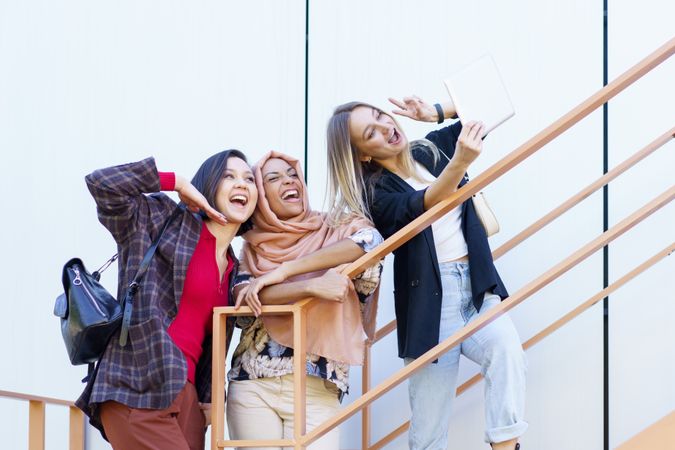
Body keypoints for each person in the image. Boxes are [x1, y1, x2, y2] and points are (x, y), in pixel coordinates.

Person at [325, 97, 527, 450]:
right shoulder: (376, 192)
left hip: (477, 286)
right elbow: (424, 204)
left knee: (507, 350)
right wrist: (460, 163)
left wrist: (435, 112)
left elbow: (491, 105)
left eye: (380, 116)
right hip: (432, 305)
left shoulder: (431, 150)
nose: (386, 127)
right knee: (430, 426)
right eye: (370, 132)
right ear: (362, 155)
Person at [75, 150, 258, 450]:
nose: (242, 184)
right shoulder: (163, 218)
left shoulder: (234, 269)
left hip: (186, 397)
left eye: (249, 179)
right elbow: (102, 184)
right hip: (137, 381)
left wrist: (211, 397)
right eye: (229, 176)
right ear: (208, 184)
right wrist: (176, 183)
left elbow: (213, 343)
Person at [226, 151, 383, 450]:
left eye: (292, 174)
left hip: (317, 387)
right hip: (253, 384)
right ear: (261, 195)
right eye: (273, 178)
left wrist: (286, 271)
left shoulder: (336, 227)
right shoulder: (251, 249)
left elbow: (371, 244)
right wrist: (312, 286)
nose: (289, 181)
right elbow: (247, 297)